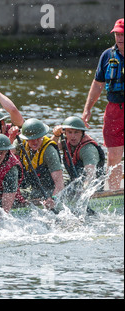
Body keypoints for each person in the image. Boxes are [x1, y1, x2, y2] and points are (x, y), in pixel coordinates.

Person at [82, 18, 124, 190]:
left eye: (123, 34)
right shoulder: (107, 55)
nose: (120, 37)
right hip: (114, 110)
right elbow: (98, 84)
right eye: (117, 34)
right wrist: (87, 110)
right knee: (113, 155)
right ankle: (114, 193)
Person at [15, 118, 64, 209]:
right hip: (32, 187)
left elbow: (59, 183)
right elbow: (5, 154)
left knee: (37, 194)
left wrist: (54, 199)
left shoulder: (49, 151)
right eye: (31, 139)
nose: (35, 142)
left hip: (50, 190)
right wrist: (10, 137)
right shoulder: (20, 143)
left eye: (38, 138)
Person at [52, 116, 105, 184]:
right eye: (70, 132)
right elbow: (50, 148)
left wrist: (83, 191)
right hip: (76, 183)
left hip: (93, 186)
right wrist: (56, 135)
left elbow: (91, 175)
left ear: (82, 133)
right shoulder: (65, 142)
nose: (73, 136)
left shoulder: (88, 149)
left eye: (76, 132)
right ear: (65, 133)